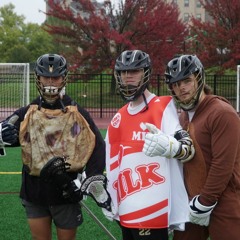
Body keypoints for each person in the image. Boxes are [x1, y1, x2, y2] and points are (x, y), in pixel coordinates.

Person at [0, 53, 105, 240]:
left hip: (66, 190)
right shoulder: (28, 113)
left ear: (63, 78)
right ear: (38, 78)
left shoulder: (77, 113)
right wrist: (2, 135)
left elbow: (97, 145)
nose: (50, 81)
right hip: (35, 191)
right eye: (46, 76)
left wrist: (87, 180)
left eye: (55, 77)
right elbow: (10, 133)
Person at [103, 50, 195, 240]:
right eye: (123, 72)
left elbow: (186, 146)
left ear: (145, 73)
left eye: (134, 71)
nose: (127, 77)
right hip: (127, 208)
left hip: (153, 211)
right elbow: (111, 163)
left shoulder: (162, 106)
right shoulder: (118, 117)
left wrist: (173, 147)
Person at [164, 54, 240, 240]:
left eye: (186, 80)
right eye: (175, 83)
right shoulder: (182, 117)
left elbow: (222, 165)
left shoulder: (221, 112)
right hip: (192, 199)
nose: (181, 87)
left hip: (224, 198)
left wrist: (205, 202)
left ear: (199, 78)